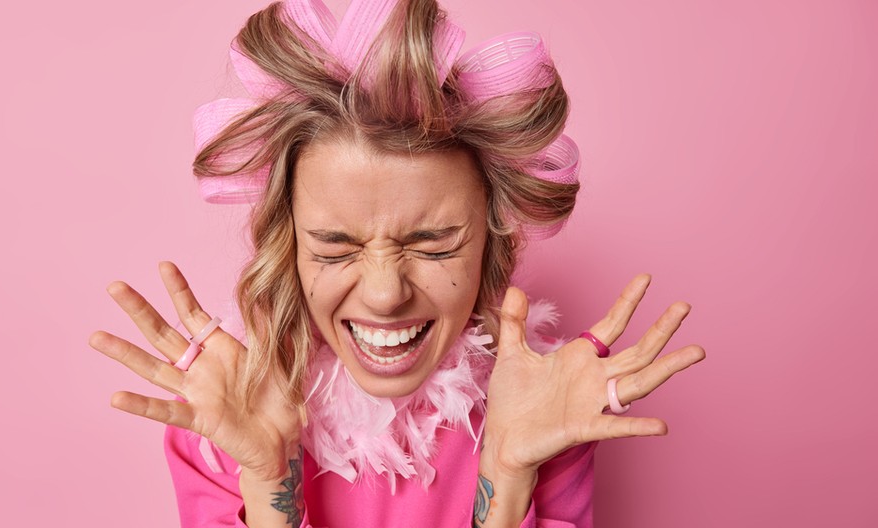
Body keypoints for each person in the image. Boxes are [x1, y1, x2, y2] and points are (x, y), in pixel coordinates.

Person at [89, 0, 706, 526]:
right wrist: (268, 478)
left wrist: (508, 471)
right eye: (336, 247)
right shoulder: (221, 415)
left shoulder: (546, 412)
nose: (385, 295)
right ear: (290, 248)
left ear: (492, 247)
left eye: (433, 245)